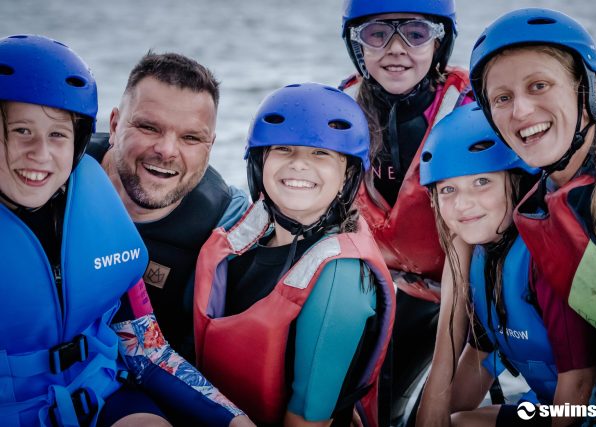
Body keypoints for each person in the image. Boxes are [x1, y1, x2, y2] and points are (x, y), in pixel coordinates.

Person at [0, 34, 254, 427]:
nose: (41, 154)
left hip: (100, 391)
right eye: (21, 131)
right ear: (115, 126)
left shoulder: (97, 204)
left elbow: (145, 347)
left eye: (57, 135)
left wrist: (235, 420)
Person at [469, 8, 596, 426]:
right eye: (502, 98)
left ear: (586, 90)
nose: (520, 111)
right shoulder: (543, 197)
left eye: (539, 85)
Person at [193, 82, 396, 426]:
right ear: (260, 162)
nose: (299, 164)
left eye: (320, 153)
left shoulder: (340, 278)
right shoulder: (243, 238)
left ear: (347, 174)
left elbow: (307, 421)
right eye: (284, 149)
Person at [417, 102, 596, 426]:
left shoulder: (544, 258)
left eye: (482, 182)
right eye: (448, 189)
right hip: (547, 404)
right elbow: (480, 359)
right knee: (459, 422)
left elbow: (579, 381)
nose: (462, 204)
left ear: (518, 181)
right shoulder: (483, 259)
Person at [339, 0, 473, 422]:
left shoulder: (471, 111)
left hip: (463, 292)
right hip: (387, 288)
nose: (396, 48)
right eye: (377, 34)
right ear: (357, 46)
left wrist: (440, 391)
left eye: (415, 34)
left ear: (439, 43)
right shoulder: (340, 111)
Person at [87, 52, 249, 363]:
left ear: (210, 147)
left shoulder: (229, 226)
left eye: (191, 137)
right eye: (149, 127)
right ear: (115, 125)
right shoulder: (59, 174)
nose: (166, 150)